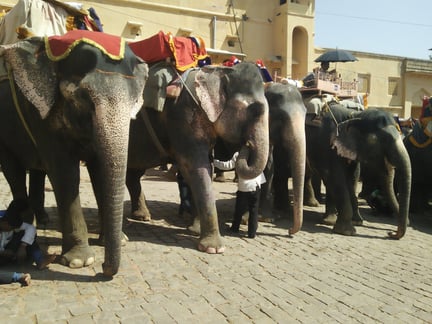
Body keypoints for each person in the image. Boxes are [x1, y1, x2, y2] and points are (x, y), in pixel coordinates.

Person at [213, 151, 266, 238]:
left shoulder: (239, 154)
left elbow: (228, 165)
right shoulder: (257, 153)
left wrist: (215, 162)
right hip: (255, 186)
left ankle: (235, 228)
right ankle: (252, 233)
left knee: (239, 209)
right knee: (254, 211)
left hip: (243, 187)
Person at [0, 200, 55, 270]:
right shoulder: (8, 219)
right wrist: (3, 253)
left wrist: (23, 246)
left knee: (25, 234)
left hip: (7, 251)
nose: (12, 229)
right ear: (4, 223)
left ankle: (40, 261)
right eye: (11, 228)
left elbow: (31, 228)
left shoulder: (11, 220)